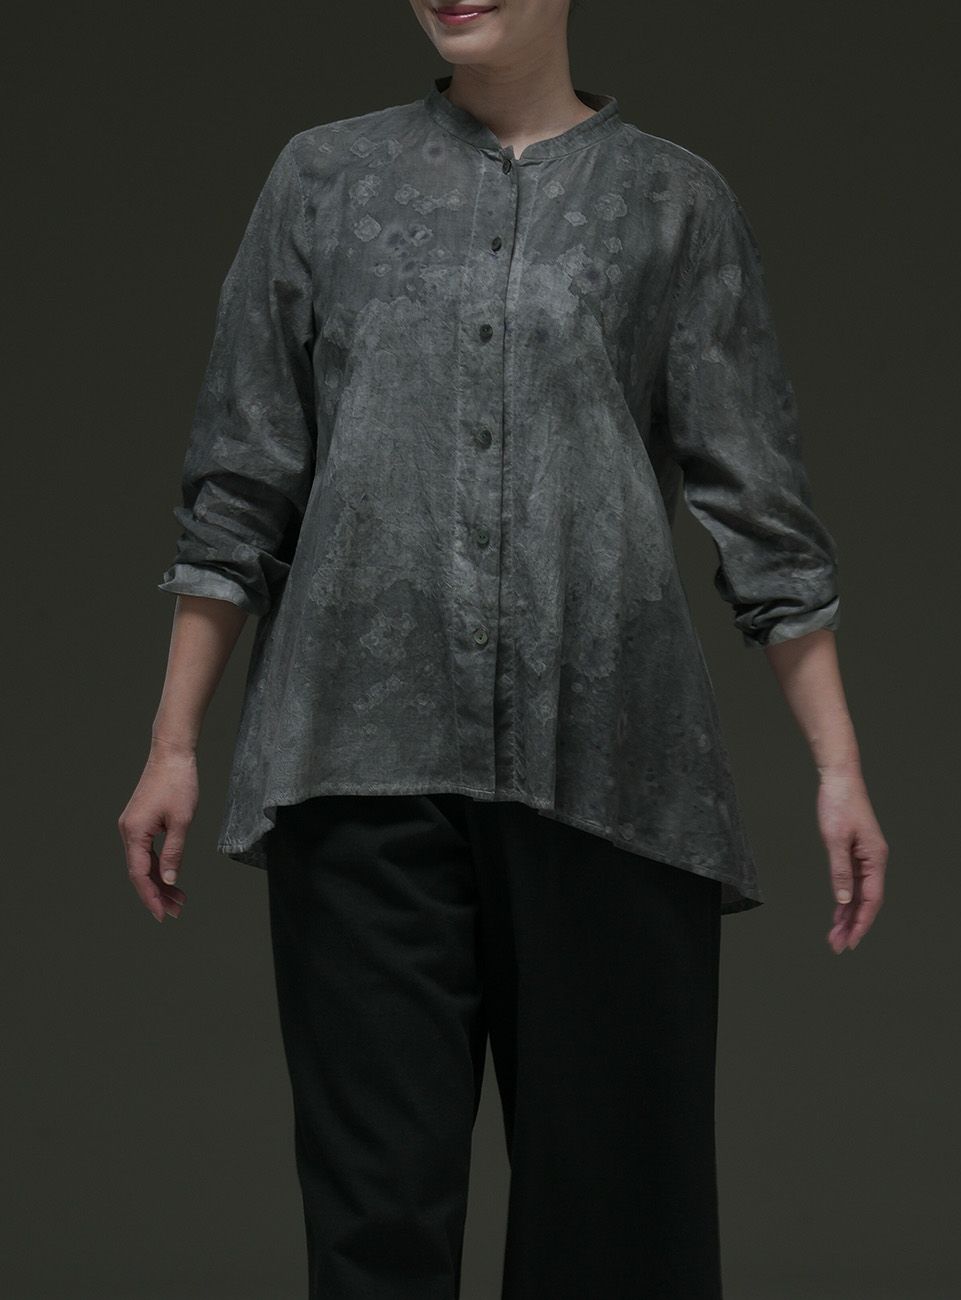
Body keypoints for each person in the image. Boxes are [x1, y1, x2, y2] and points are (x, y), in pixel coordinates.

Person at [119, 1, 889, 1295]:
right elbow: (243, 482)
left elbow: (759, 507)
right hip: (357, 768)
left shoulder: (674, 203)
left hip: (616, 775)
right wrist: (173, 743)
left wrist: (838, 766)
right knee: (375, 1235)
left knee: (618, 1244)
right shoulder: (322, 180)